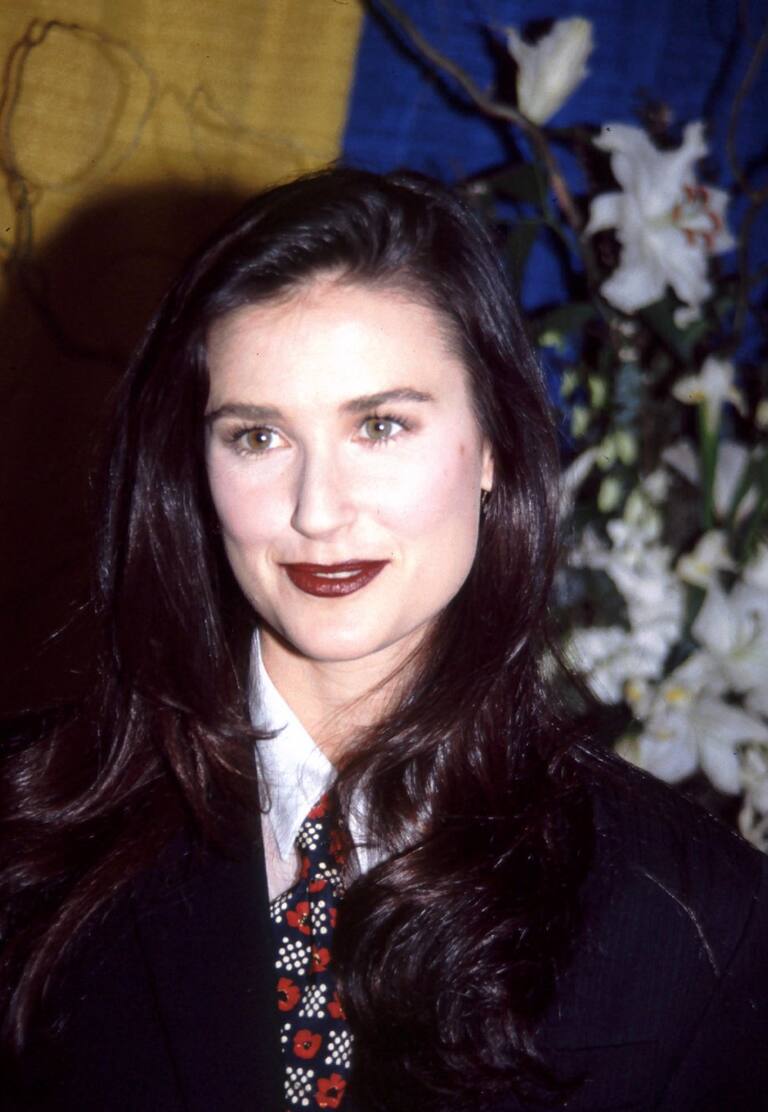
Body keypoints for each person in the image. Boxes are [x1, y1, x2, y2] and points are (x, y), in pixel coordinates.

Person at [1, 168, 766, 1112]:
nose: (318, 512)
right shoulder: (27, 837)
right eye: (257, 437)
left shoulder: (696, 919)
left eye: (379, 425)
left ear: (493, 445)